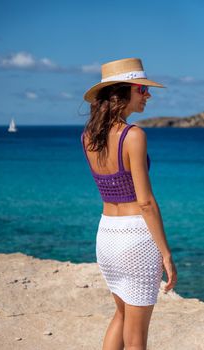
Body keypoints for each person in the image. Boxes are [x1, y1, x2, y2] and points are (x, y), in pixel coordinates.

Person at [81, 57, 177, 350]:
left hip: (107, 235)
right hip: (135, 239)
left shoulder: (88, 137)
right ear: (122, 93)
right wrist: (166, 253)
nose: (148, 95)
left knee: (121, 315)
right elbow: (145, 202)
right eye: (142, 89)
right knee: (137, 340)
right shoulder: (133, 135)